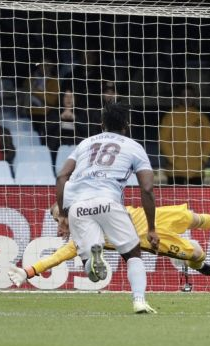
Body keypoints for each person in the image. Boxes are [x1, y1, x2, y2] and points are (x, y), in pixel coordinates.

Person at [56, 103, 160, 314]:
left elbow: (61, 176)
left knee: (93, 272)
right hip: (108, 201)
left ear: (102, 124)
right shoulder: (134, 147)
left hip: (78, 205)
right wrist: (151, 228)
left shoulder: (85, 144)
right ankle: (139, 300)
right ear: (126, 125)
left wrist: (63, 215)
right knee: (132, 255)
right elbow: (147, 188)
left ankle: (93, 259)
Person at [7, 203, 210, 286]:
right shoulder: (82, 238)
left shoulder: (89, 205)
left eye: (60, 220)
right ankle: (197, 265)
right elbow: (57, 257)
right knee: (198, 252)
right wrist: (27, 272)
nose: (61, 226)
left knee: (190, 217)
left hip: (147, 216)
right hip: (146, 237)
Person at [159, 85, 210, 185]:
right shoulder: (170, 116)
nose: (187, 98)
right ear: (178, 97)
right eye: (184, 95)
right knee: (176, 200)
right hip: (175, 171)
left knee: (196, 200)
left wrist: (202, 160)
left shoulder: (201, 117)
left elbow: (209, 141)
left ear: (195, 97)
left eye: (190, 95)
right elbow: (164, 140)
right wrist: (173, 160)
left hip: (196, 171)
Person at [45, 90, 89, 164]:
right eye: (66, 96)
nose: (69, 99)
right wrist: (60, 118)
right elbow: (46, 129)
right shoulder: (54, 112)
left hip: (76, 144)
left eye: (71, 97)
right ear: (62, 98)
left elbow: (87, 130)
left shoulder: (81, 113)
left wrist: (74, 118)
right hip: (57, 145)